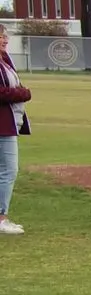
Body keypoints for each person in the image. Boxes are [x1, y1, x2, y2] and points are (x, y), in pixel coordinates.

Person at [0, 24, 32, 236]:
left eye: (5, 36)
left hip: (9, 121)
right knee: (8, 169)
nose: (4, 40)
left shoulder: (5, 60)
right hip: (3, 125)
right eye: (0, 37)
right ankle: (2, 217)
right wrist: (23, 93)